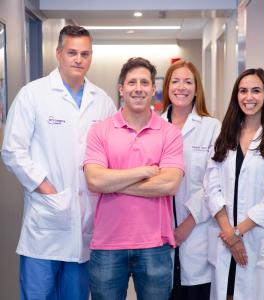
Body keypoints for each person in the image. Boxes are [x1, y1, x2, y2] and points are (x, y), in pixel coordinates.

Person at [1, 25, 116, 300]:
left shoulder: (103, 102)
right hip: (45, 223)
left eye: (85, 54)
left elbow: (112, 154)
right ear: (59, 54)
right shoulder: (33, 94)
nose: (79, 59)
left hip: (86, 224)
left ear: (91, 57)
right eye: (72, 52)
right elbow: (12, 151)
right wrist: (47, 190)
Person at [83, 57, 184, 300]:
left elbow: (169, 184)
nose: (138, 88)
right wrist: (143, 171)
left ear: (153, 89)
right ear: (121, 88)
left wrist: (114, 183)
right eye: (131, 82)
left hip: (155, 245)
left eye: (144, 82)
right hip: (107, 244)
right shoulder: (100, 130)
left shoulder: (169, 133)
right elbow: (94, 181)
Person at [204, 68, 264, 300]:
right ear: (236, 96)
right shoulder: (223, 135)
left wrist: (237, 233)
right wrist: (229, 233)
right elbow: (211, 186)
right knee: (227, 293)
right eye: (243, 91)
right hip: (225, 238)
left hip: (255, 239)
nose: (248, 97)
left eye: (256, 90)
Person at [161, 60, 220, 300]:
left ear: (197, 89)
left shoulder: (211, 127)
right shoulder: (153, 125)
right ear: (167, 87)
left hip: (197, 233)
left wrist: (187, 225)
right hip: (159, 234)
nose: (181, 87)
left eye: (188, 81)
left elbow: (214, 182)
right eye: (175, 81)